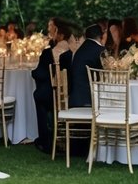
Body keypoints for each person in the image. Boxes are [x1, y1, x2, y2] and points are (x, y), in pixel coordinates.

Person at [31, 18, 73, 153]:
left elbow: (40, 74)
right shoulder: (70, 50)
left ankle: (45, 141)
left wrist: (33, 73)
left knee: (39, 96)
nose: (48, 29)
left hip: (53, 95)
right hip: (68, 94)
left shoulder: (48, 53)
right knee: (41, 94)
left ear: (57, 31)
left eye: (50, 26)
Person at [69, 24, 106, 109]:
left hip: (76, 98)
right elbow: (106, 73)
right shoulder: (100, 50)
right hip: (89, 100)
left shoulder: (80, 50)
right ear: (101, 36)